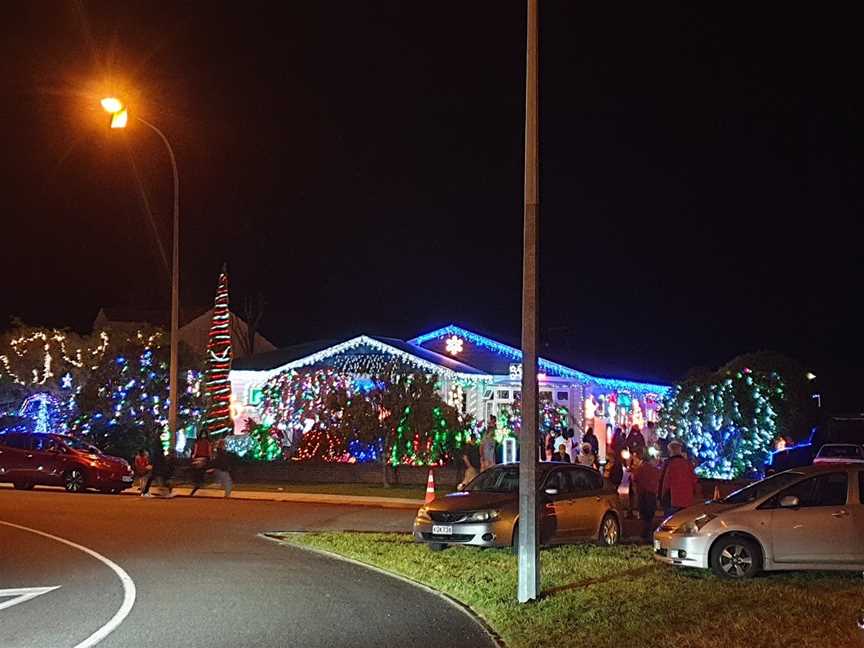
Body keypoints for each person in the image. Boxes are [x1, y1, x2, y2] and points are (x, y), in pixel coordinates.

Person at [658, 440, 699, 516]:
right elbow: (694, 481)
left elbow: (664, 483)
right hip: (687, 501)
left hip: (673, 501)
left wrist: (661, 498)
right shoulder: (688, 464)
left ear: (670, 451)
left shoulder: (668, 464)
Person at [631, 451, 660, 542]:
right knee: (650, 515)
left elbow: (635, 479)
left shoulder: (640, 469)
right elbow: (657, 479)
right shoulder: (654, 469)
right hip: (651, 494)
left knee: (644, 515)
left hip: (642, 494)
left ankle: (645, 534)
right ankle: (648, 533)